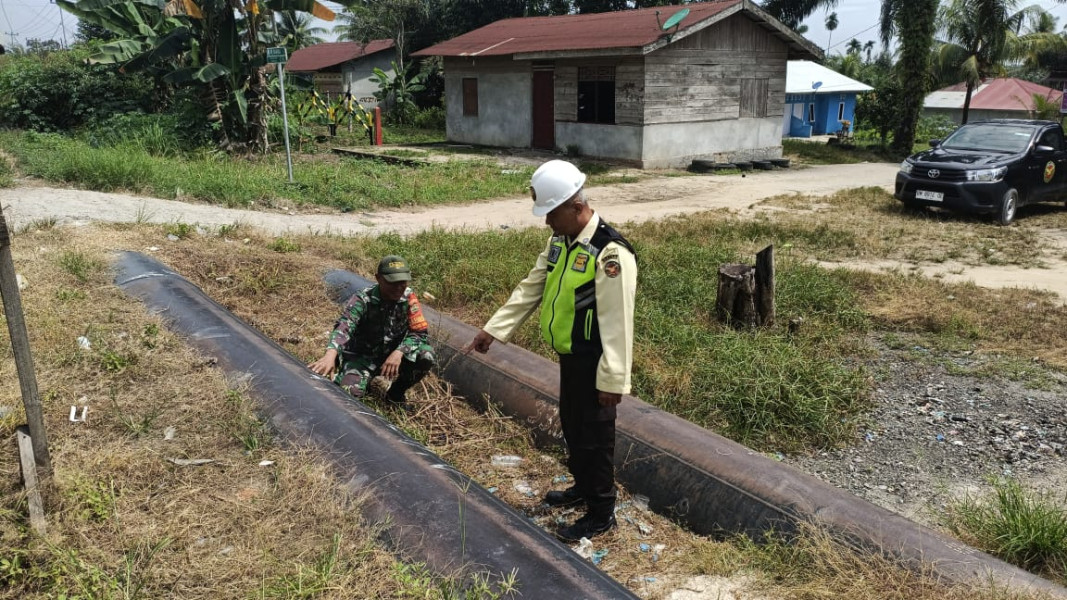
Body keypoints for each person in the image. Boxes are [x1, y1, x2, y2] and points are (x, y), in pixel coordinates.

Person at [465, 159, 637, 543]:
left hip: (596, 363)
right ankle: (583, 488)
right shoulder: (561, 242)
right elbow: (533, 286)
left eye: (551, 213)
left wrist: (613, 380)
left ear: (576, 207)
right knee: (574, 428)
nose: (546, 222)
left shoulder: (610, 254)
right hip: (569, 357)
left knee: (595, 437)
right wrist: (493, 330)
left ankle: (601, 512)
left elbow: (618, 324)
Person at [308, 255, 435, 409]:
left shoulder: (408, 297)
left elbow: (420, 332)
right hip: (363, 357)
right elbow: (344, 326)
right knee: (349, 395)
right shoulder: (363, 299)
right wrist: (330, 354)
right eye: (392, 282)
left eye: (402, 282)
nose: (398, 287)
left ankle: (395, 395)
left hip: (391, 357)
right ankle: (361, 380)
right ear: (378, 278)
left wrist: (399, 352)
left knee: (426, 356)